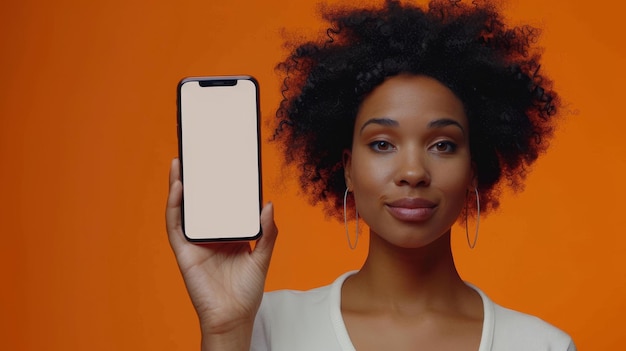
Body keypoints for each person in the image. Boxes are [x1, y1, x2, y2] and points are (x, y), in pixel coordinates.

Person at [166, 0, 576, 350]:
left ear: (473, 169)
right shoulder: (264, 327)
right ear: (346, 167)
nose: (413, 172)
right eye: (382, 143)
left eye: (443, 145)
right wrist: (224, 331)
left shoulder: (542, 345)